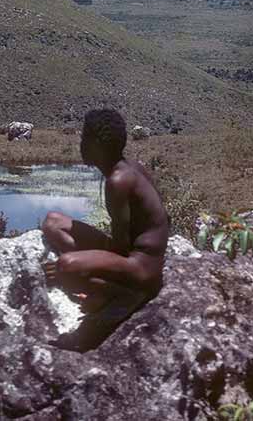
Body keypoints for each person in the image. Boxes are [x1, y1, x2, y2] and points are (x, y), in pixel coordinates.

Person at [41, 108, 168, 317]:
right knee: (52, 222)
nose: (80, 144)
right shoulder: (130, 167)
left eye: (84, 138)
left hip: (143, 267)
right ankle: (102, 285)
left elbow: (120, 249)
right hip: (128, 251)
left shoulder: (118, 182)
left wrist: (81, 265)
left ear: (96, 146)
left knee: (65, 266)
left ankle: (124, 295)